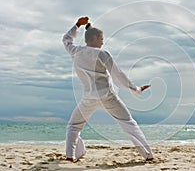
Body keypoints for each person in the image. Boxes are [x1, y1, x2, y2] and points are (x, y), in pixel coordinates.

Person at [62, 17, 154, 162]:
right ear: (94, 38)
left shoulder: (75, 51)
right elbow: (118, 75)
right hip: (108, 97)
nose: (102, 42)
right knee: (128, 123)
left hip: (89, 98)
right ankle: (148, 155)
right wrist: (136, 89)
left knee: (73, 126)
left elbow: (66, 39)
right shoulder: (103, 54)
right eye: (101, 39)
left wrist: (77, 25)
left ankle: (71, 156)